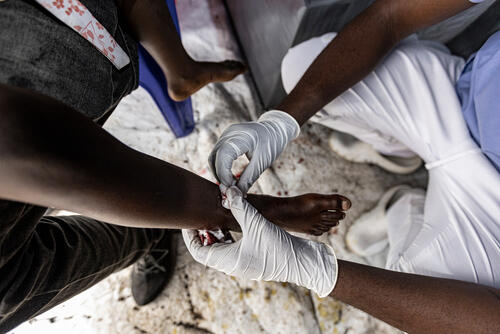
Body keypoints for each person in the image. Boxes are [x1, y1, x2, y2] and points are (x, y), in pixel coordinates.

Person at [0, 0, 350, 332]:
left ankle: (211, 213)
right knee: (8, 290)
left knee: (41, 145)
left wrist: (245, 212)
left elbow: (35, 153)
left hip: (46, 52)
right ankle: (152, 230)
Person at [202, 0, 500, 331]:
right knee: (302, 68)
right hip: (460, 100)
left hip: (493, 211)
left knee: (411, 289)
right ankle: (400, 151)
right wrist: (282, 121)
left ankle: (404, 208)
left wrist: (314, 270)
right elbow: (391, 16)